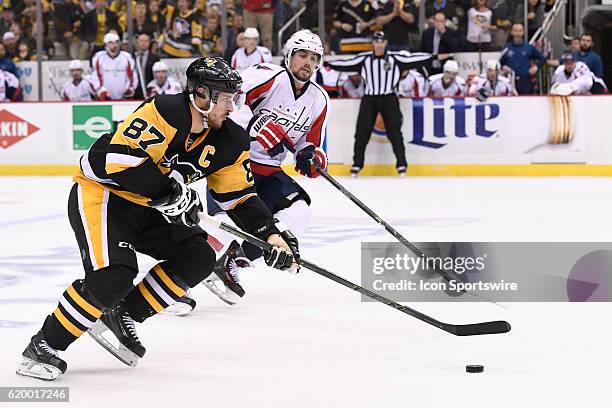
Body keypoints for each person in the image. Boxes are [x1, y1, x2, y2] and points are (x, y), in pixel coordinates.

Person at [16, 57, 299, 381]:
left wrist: (271, 234)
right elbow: (119, 161)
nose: (232, 108)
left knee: (199, 256)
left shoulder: (231, 141)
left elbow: (240, 197)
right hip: (103, 194)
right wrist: (171, 194)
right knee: (113, 276)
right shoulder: (165, 111)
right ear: (202, 96)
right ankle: (43, 346)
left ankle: (122, 313)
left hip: (149, 205)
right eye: (226, 99)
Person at [173, 30, 328, 310]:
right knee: (225, 226)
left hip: (269, 170)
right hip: (234, 159)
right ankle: (176, 283)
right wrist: (254, 126)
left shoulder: (319, 99)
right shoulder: (266, 75)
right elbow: (226, 103)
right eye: (302, 55)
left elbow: (310, 142)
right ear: (289, 55)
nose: (307, 62)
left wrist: (311, 155)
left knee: (299, 212)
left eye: (314, 58)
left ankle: (237, 258)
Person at [325, 31, 433, 177]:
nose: (379, 44)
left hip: (389, 98)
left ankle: (401, 164)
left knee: (395, 133)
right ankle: (357, 164)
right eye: (377, 41)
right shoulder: (365, 59)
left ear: (386, 43)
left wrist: (433, 56)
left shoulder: (395, 59)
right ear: (373, 44)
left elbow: (414, 59)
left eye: (382, 41)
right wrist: (327, 62)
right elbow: (346, 64)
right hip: (369, 99)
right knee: (361, 133)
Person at [91, 32, 138, 101]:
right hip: (105, 99)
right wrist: (100, 91)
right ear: (105, 45)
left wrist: (130, 89)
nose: (114, 45)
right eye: (111, 43)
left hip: (124, 99)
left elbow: (132, 76)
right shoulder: (98, 57)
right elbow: (95, 76)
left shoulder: (127, 57)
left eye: (117, 42)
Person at [499, 23, 544, 95]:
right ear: (512, 32)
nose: (517, 33)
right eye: (515, 31)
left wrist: (536, 66)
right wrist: (503, 67)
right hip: (510, 81)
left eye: (520, 31)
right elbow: (499, 63)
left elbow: (542, 59)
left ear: (523, 32)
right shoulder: (507, 47)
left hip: (525, 81)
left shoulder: (529, 47)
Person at [133, 33, 160, 100]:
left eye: (146, 41)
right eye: (141, 41)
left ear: (149, 43)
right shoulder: (132, 57)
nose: (143, 43)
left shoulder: (155, 58)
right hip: (135, 91)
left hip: (149, 90)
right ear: (137, 43)